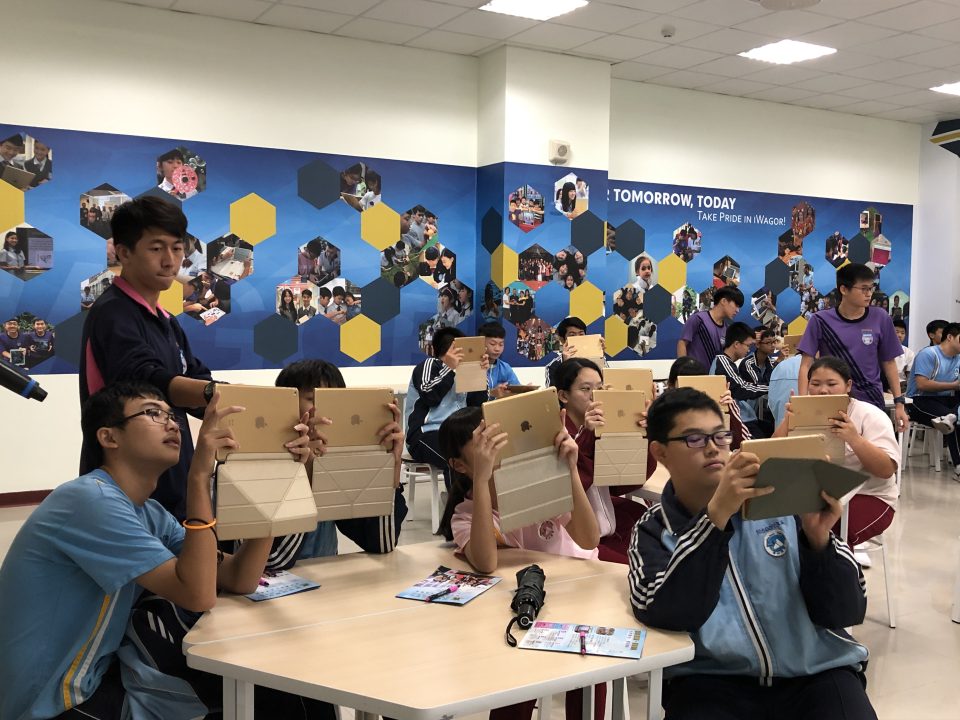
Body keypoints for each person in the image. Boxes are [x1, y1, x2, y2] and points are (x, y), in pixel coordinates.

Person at [0, 381, 324, 719]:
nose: (172, 424)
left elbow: (239, 578)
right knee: (268, 696)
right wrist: (199, 477)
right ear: (109, 437)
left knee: (281, 689)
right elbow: (198, 595)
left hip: (98, 680)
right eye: (152, 413)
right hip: (51, 704)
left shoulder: (150, 514)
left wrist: (279, 473)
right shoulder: (89, 500)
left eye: (172, 415)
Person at [628, 387, 875, 720]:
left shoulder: (782, 504)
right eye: (694, 439)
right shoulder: (653, 530)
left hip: (817, 672)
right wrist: (715, 517)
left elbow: (847, 610)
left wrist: (818, 540)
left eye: (721, 436)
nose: (713, 448)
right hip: (710, 681)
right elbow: (666, 613)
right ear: (660, 453)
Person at [435, 406, 604, 720]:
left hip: (575, 598)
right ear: (459, 465)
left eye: (498, 437)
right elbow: (486, 562)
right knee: (514, 667)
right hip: (524, 612)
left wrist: (569, 469)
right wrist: (483, 479)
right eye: (483, 443)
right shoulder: (466, 514)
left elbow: (589, 539)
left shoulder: (538, 489)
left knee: (592, 670)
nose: (496, 449)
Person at [80, 196, 216, 521]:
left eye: (177, 248)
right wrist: (215, 394)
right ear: (124, 252)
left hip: (174, 482)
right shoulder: (113, 312)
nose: (170, 261)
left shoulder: (167, 321)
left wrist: (254, 406)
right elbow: (146, 381)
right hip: (127, 488)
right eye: (156, 248)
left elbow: (198, 382)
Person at [267, 359, 408, 567]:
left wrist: (391, 466)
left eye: (333, 400)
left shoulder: (335, 459)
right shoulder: (263, 462)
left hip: (325, 579)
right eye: (312, 399)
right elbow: (274, 561)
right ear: (285, 403)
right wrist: (303, 472)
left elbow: (381, 543)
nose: (323, 411)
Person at [774, 357, 899, 546]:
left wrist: (854, 439)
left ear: (848, 385)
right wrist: (788, 423)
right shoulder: (803, 413)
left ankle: (841, 565)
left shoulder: (870, 415)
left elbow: (886, 470)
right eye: (815, 384)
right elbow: (772, 455)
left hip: (869, 495)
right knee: (781, 526)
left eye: (832, 384)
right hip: (817, 495)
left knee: (829, 532)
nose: (823, 390)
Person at [553, 358, 648, 564]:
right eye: (586, 389)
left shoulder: (602, 428)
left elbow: (626, 483)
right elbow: (570, 489)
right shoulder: (557, 436)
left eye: (600, 388)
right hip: (576, 541)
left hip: (606, 527)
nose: (595, 395)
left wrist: (640, 436)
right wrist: (587, 436)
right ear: (563, 396)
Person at [797, 263, 907, 432]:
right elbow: (806, 365)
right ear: (844, 289)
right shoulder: (820, 321)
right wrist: (803, 403)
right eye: (863, 289)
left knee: (870, 447)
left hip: (871, 400)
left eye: (871, 288)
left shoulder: (881, 317)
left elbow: (889, 362)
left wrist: (899, 403)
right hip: (833, 401)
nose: (869, 294)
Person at [404, 326, 488, 488]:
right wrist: (449, 368)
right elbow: (430, 396)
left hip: (456, 433)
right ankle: (457, 503)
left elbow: (477, 407)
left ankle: (478, 501)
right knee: (457, 460)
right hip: (424, 434)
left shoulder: (463, 371)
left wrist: (479, 373)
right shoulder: (429, 364)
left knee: (486, 455)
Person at [907, 321, 960, 481]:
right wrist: (954, 385)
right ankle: (959, 466)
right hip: (919, 400)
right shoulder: (929, 354)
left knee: (953, 416)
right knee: (953, 421)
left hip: (946, 399)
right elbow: (922, 384)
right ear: (950, 337)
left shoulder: (958, 357)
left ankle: (952, 416)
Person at [711, 322, 771, 438]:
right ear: (737, 344)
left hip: (743, 417)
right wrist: (771, 387)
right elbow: (742, 388)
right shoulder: (723, 362)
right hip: (739, 420)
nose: (749, 350)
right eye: (748, 345)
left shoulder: (726, 362)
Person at [677, 285, 744, 370]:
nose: (737, 310)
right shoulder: (698, 318)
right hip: (693, 375)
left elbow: (725, 357)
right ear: (723, 301)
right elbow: (682, 343)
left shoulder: (727, 329)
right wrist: (683, 370)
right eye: (736, 305)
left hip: (714, 376)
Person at [479, 321, 520, 399]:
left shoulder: (505, 368)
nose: (497, 349)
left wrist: (525, 390)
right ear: (481, 343)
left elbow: (517, 391)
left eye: (501, 344)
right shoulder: (473, 367)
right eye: (492, 344)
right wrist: (492, 393)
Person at [544, 316, 588, 387]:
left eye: (581, 334)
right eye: (572, 335)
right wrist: (566, 364)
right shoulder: (553, 366)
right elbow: (553, 392)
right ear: (562, 340)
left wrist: (600, 353)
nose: (578, 338)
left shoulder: (595, 357)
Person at [892, 318, 914, 387]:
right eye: (896, 332)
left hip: (902, 386)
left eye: (902, 333)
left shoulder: (909, 353)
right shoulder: (880, 350)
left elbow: (910, 377)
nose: (900, 335)